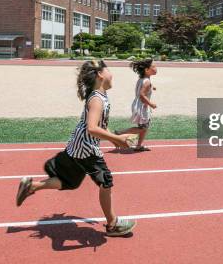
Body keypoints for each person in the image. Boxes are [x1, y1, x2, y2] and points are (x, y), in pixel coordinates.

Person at [16, 60, 137, 237]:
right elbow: (92, 128)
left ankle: (31, 186)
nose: (113, 74)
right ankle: (112, 224)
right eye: (109, 70)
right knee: (106, 181)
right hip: (86, 148)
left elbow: (99, 125)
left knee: (70, 182)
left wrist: (113, 140)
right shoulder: (97, 99)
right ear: (100, 74)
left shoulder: (99, 96)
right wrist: (117, 138)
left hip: (78, 146)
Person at [115, 58, 157, 152]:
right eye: (153, 66)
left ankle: (139, 146)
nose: (156, 68)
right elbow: (142, 95)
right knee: (143, 128)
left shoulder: (143, 79)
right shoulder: (147, 82)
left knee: (144, 127)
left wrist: (152, 86)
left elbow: (144, 86)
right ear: (147, 70)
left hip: (138, 105)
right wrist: (151, 104)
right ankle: (121, 133)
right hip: (142, 107)